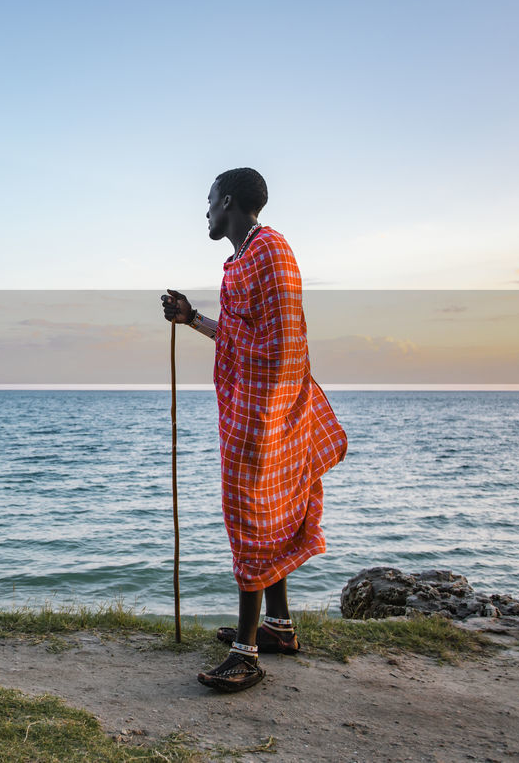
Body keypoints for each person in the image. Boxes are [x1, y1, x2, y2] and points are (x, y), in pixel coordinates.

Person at [162, 167, 347, 693]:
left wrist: (267, 417)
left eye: (210, 201)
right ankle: (279, 628)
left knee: (251, 516)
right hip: (254, 405)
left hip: (267, 411)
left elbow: (283, 342)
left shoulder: (269, 252)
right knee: (266, 515)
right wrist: (191, 317)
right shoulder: (243, 259)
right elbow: (242, 334)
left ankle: (245, 653)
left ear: (229, 202)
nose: (206, 212)